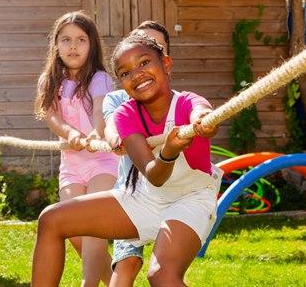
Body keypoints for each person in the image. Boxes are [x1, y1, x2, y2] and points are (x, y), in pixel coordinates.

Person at [31, 33, 223, 286]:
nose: (137, 74)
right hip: (146, 196)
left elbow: (204, 115)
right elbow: (154, 175)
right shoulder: (126, 114)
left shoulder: (188, 102)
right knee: (51, 219)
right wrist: (170, 149)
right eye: (125, 73)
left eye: (144, 63)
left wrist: (203, 122)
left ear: (166, 64)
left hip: (191, 199)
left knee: (161, 275)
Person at [34, 10, 119, 286]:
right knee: (74, 231)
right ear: (56, 45)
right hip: (71, 165)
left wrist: (96, 133)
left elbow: (99, 109)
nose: (73, 46)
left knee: (94, 228)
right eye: (66, 39)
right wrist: (71, 133)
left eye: (81, 40)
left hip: (102, 162)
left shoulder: (99, 79)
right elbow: (51, 116)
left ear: (91, 45)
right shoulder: (49, 81)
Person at [103, 21, 170, 287]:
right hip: (132, 192)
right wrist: (114, 137)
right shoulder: (118, 99)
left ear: (164, 60)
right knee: (126, 263)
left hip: (169, 192)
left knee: (164, 272)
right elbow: (110, 122)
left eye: (154, 48)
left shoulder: (173, 99)